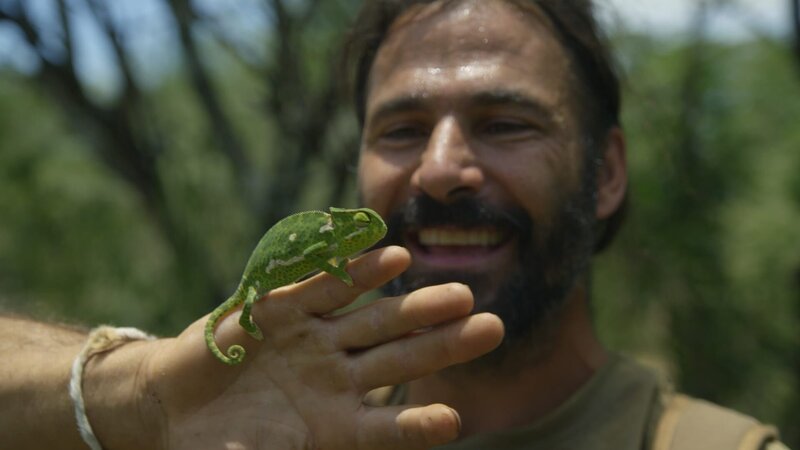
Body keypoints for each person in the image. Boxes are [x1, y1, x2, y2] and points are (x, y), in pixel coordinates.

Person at [0, 1, 788, 449]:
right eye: (401, 130)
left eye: (506, 122)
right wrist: (143, 395)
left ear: (607, 171)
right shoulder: (274, 415)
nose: (441, 168)